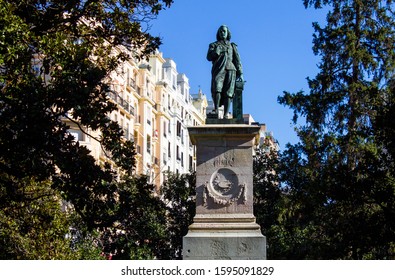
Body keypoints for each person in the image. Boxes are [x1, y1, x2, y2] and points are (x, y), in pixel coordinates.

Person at [207, 25, 243, 118]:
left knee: (229, 92)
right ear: (218, 33)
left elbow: (237, 60)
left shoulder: (232, 46)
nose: (222, 33)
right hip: (218, 69)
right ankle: (216, 110)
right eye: (221, 31)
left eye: (224, 31)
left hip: (231, 69)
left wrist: (241, 73)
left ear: (227, 33)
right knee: (217, 88)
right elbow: (208, 57)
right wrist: (216, 52)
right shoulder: (213, 45)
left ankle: (226, 113)